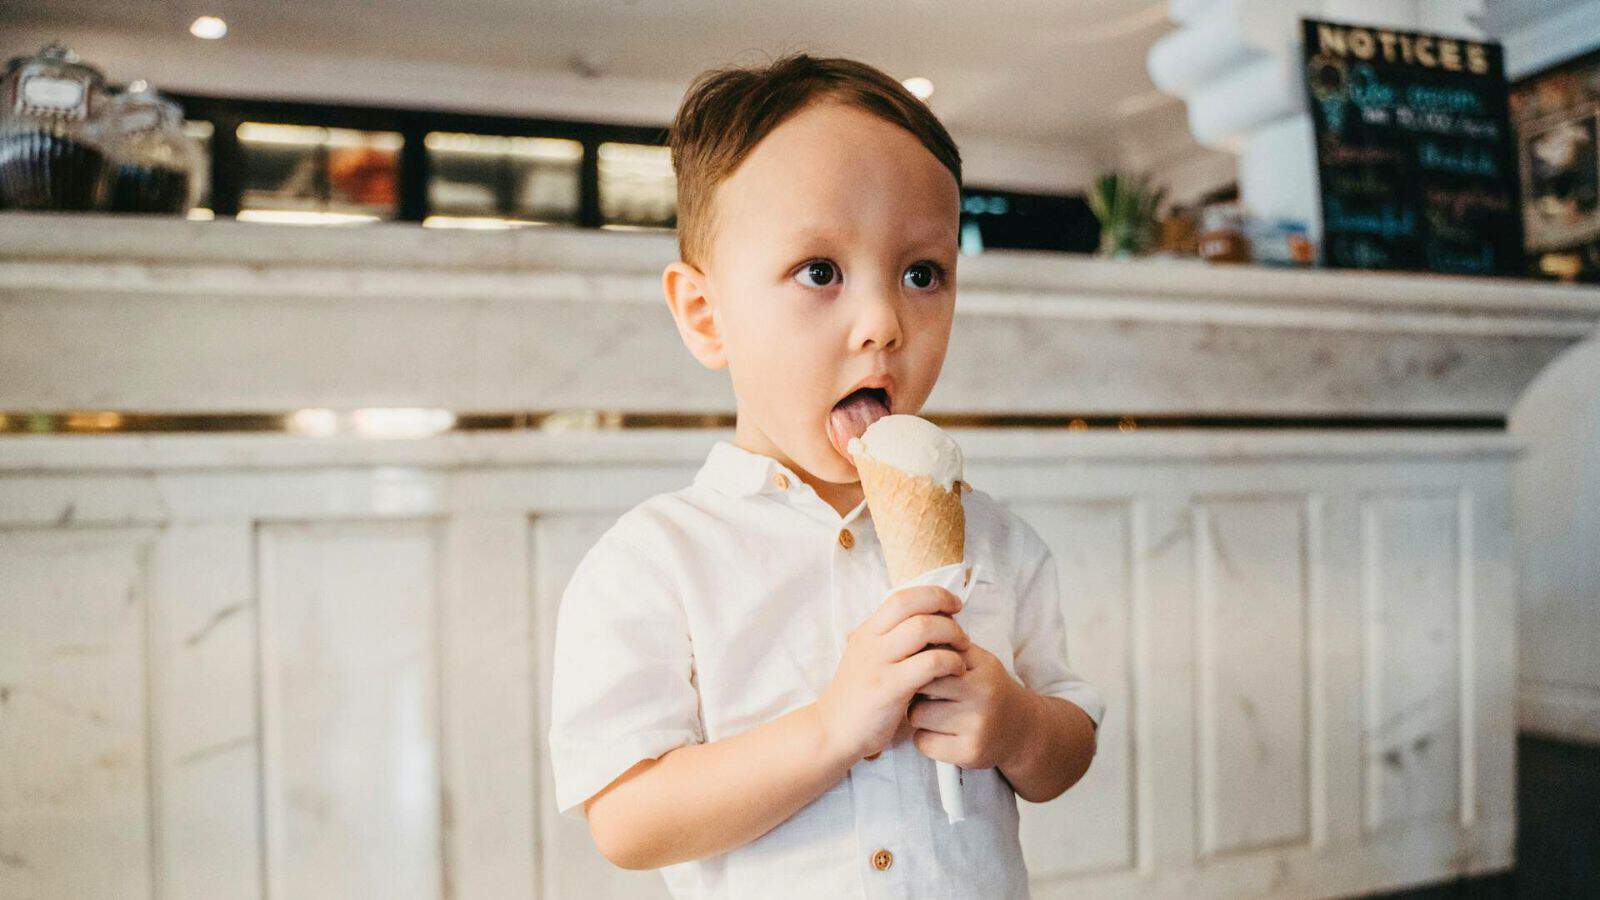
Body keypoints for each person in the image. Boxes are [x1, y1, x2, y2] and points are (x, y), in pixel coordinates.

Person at [547, 52, 1104, 898]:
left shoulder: (997, 541)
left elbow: (1070, 744)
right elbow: (628, 822)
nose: (883, 322)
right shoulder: (658, 560)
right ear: (706, 315)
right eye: (820, 272)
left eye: (923, 274)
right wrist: (830, 728)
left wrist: (1020, 727)